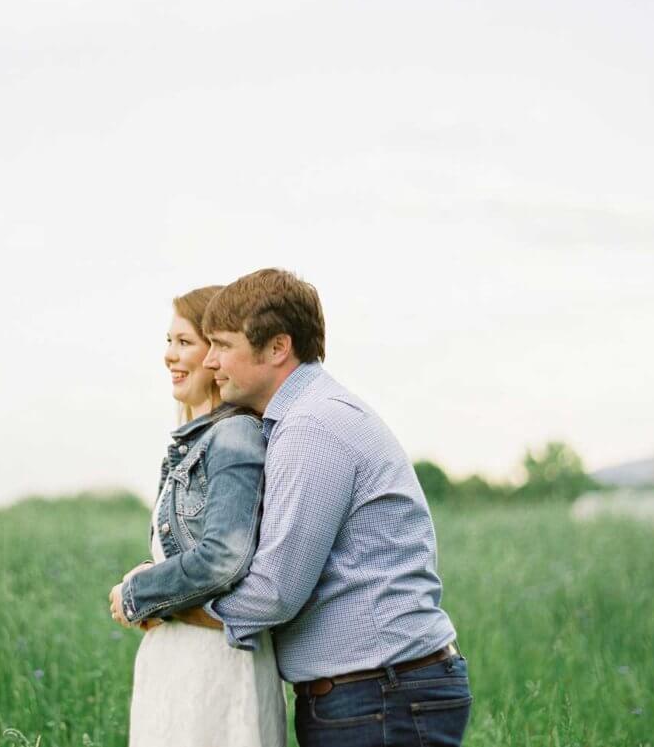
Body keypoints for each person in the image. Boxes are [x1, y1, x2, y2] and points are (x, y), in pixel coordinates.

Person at [199, 268, 472, 747]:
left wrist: (167, 604)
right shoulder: (306, 418)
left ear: (278, 347)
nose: (208, 360)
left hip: (378, 697)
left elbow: (275, 591)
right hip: (376, 693)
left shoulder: (312, 427)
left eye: (222, 345)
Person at [108, 285, 286, 747]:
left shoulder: (234, 437)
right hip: (182, 668)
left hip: (216, 670)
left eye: (184, 342)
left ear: (217, 355)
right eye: (169, 342)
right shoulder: (192, 447)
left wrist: (139, 593)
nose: (170, 356)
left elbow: (223, 559)